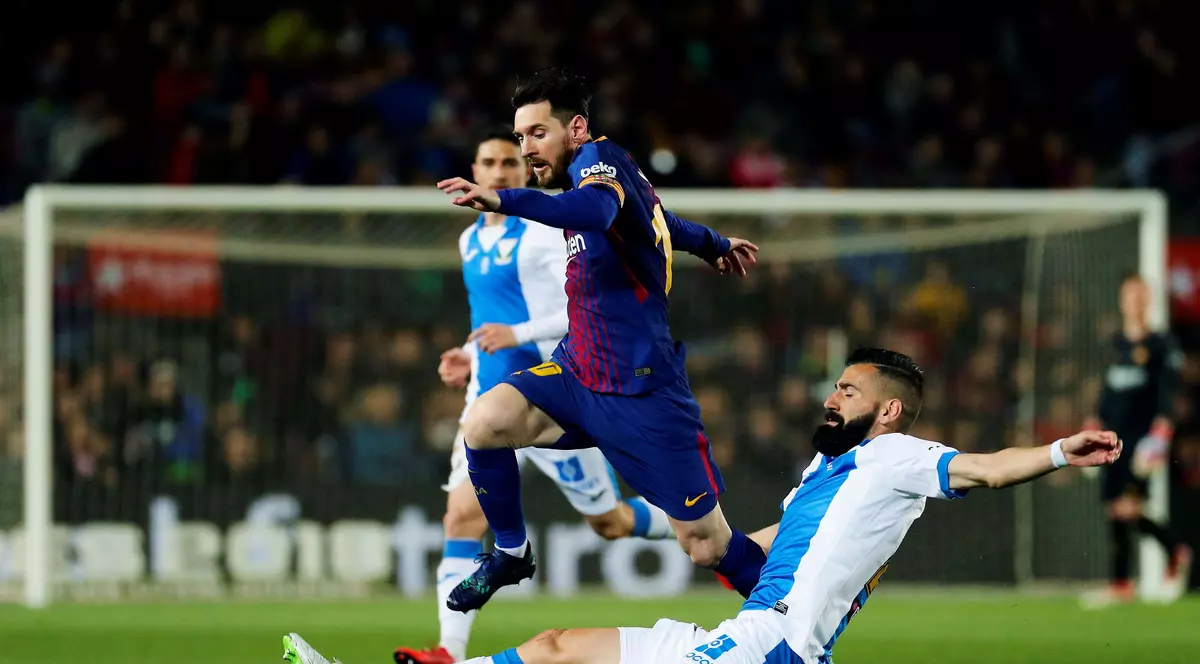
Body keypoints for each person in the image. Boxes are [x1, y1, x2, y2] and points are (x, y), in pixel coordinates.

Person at [281, 347, 1125, 664]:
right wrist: (661, 526)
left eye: (848, 390)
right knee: (555, 645)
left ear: (889, 410)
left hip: (772, 649)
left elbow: (984, 469)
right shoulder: (822, 477)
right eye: (834, 386)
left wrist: (1059, 451)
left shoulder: (899, 457)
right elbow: (743, 546)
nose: (831, 397)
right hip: (747, 636)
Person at [430, 67, 763, 614]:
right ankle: (512, 554)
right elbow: (659, 219)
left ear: (577, 128)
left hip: (639, 390)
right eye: (520, 137)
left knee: (707, 546)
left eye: (538, 133)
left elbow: (596, 209)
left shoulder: (596, 164)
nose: (527, 148)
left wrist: (503, 199)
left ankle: (797, 616)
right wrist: (713, 242)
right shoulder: (601, 175)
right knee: (485, 422)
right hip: (577, 373)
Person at [395, 129, 675, 664]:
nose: (499, 171)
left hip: (551, 401)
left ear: (524, 172)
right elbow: (491, 318)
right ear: (474, 171)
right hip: (490, 405)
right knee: (460, 518)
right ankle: (447, 651)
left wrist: (517, 335)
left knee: (609, 523)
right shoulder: (470, 239)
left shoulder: (545, 232)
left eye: (509, 162)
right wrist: (469, 353)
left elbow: (580, 312)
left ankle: (703, 532)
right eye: (489, 162)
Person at [1082, 273, 1191, 608]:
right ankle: (1125, 582)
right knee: (1115, 510)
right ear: (1122, 300)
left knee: (1128, 507)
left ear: (1149, 299)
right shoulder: (1113, 344)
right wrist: (1092, 424)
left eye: (1141, 294)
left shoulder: (1161, 344)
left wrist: (1159, 436)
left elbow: (1169, 393)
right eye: (1130, 295)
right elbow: (1104, 393)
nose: (1136, 301)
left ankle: (1171, 553)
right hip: (1110, 438)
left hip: (1142, 439)